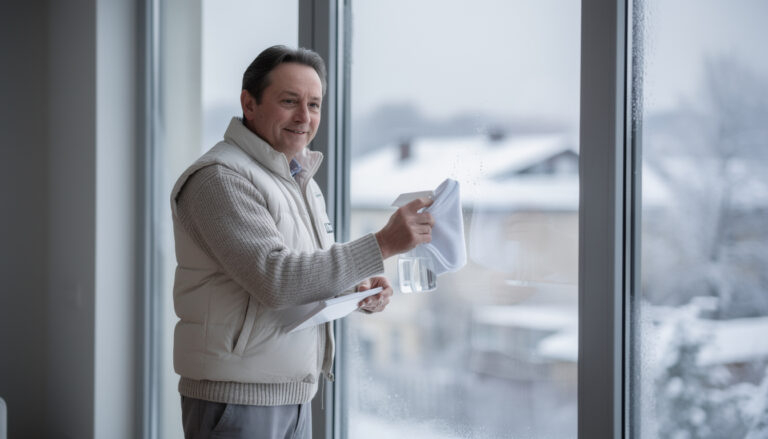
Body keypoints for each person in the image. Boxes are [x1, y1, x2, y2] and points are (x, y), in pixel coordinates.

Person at [170, 45, 434, 439]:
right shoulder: (220, 178)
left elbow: (302, 270)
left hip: (292, 396)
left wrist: (354, 288)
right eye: (289, 101)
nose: (304, 117)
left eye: (314, 104)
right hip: (236, 401)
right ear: (249, 103)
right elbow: (276, 280)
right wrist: (381, 244)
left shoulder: (298, 180)